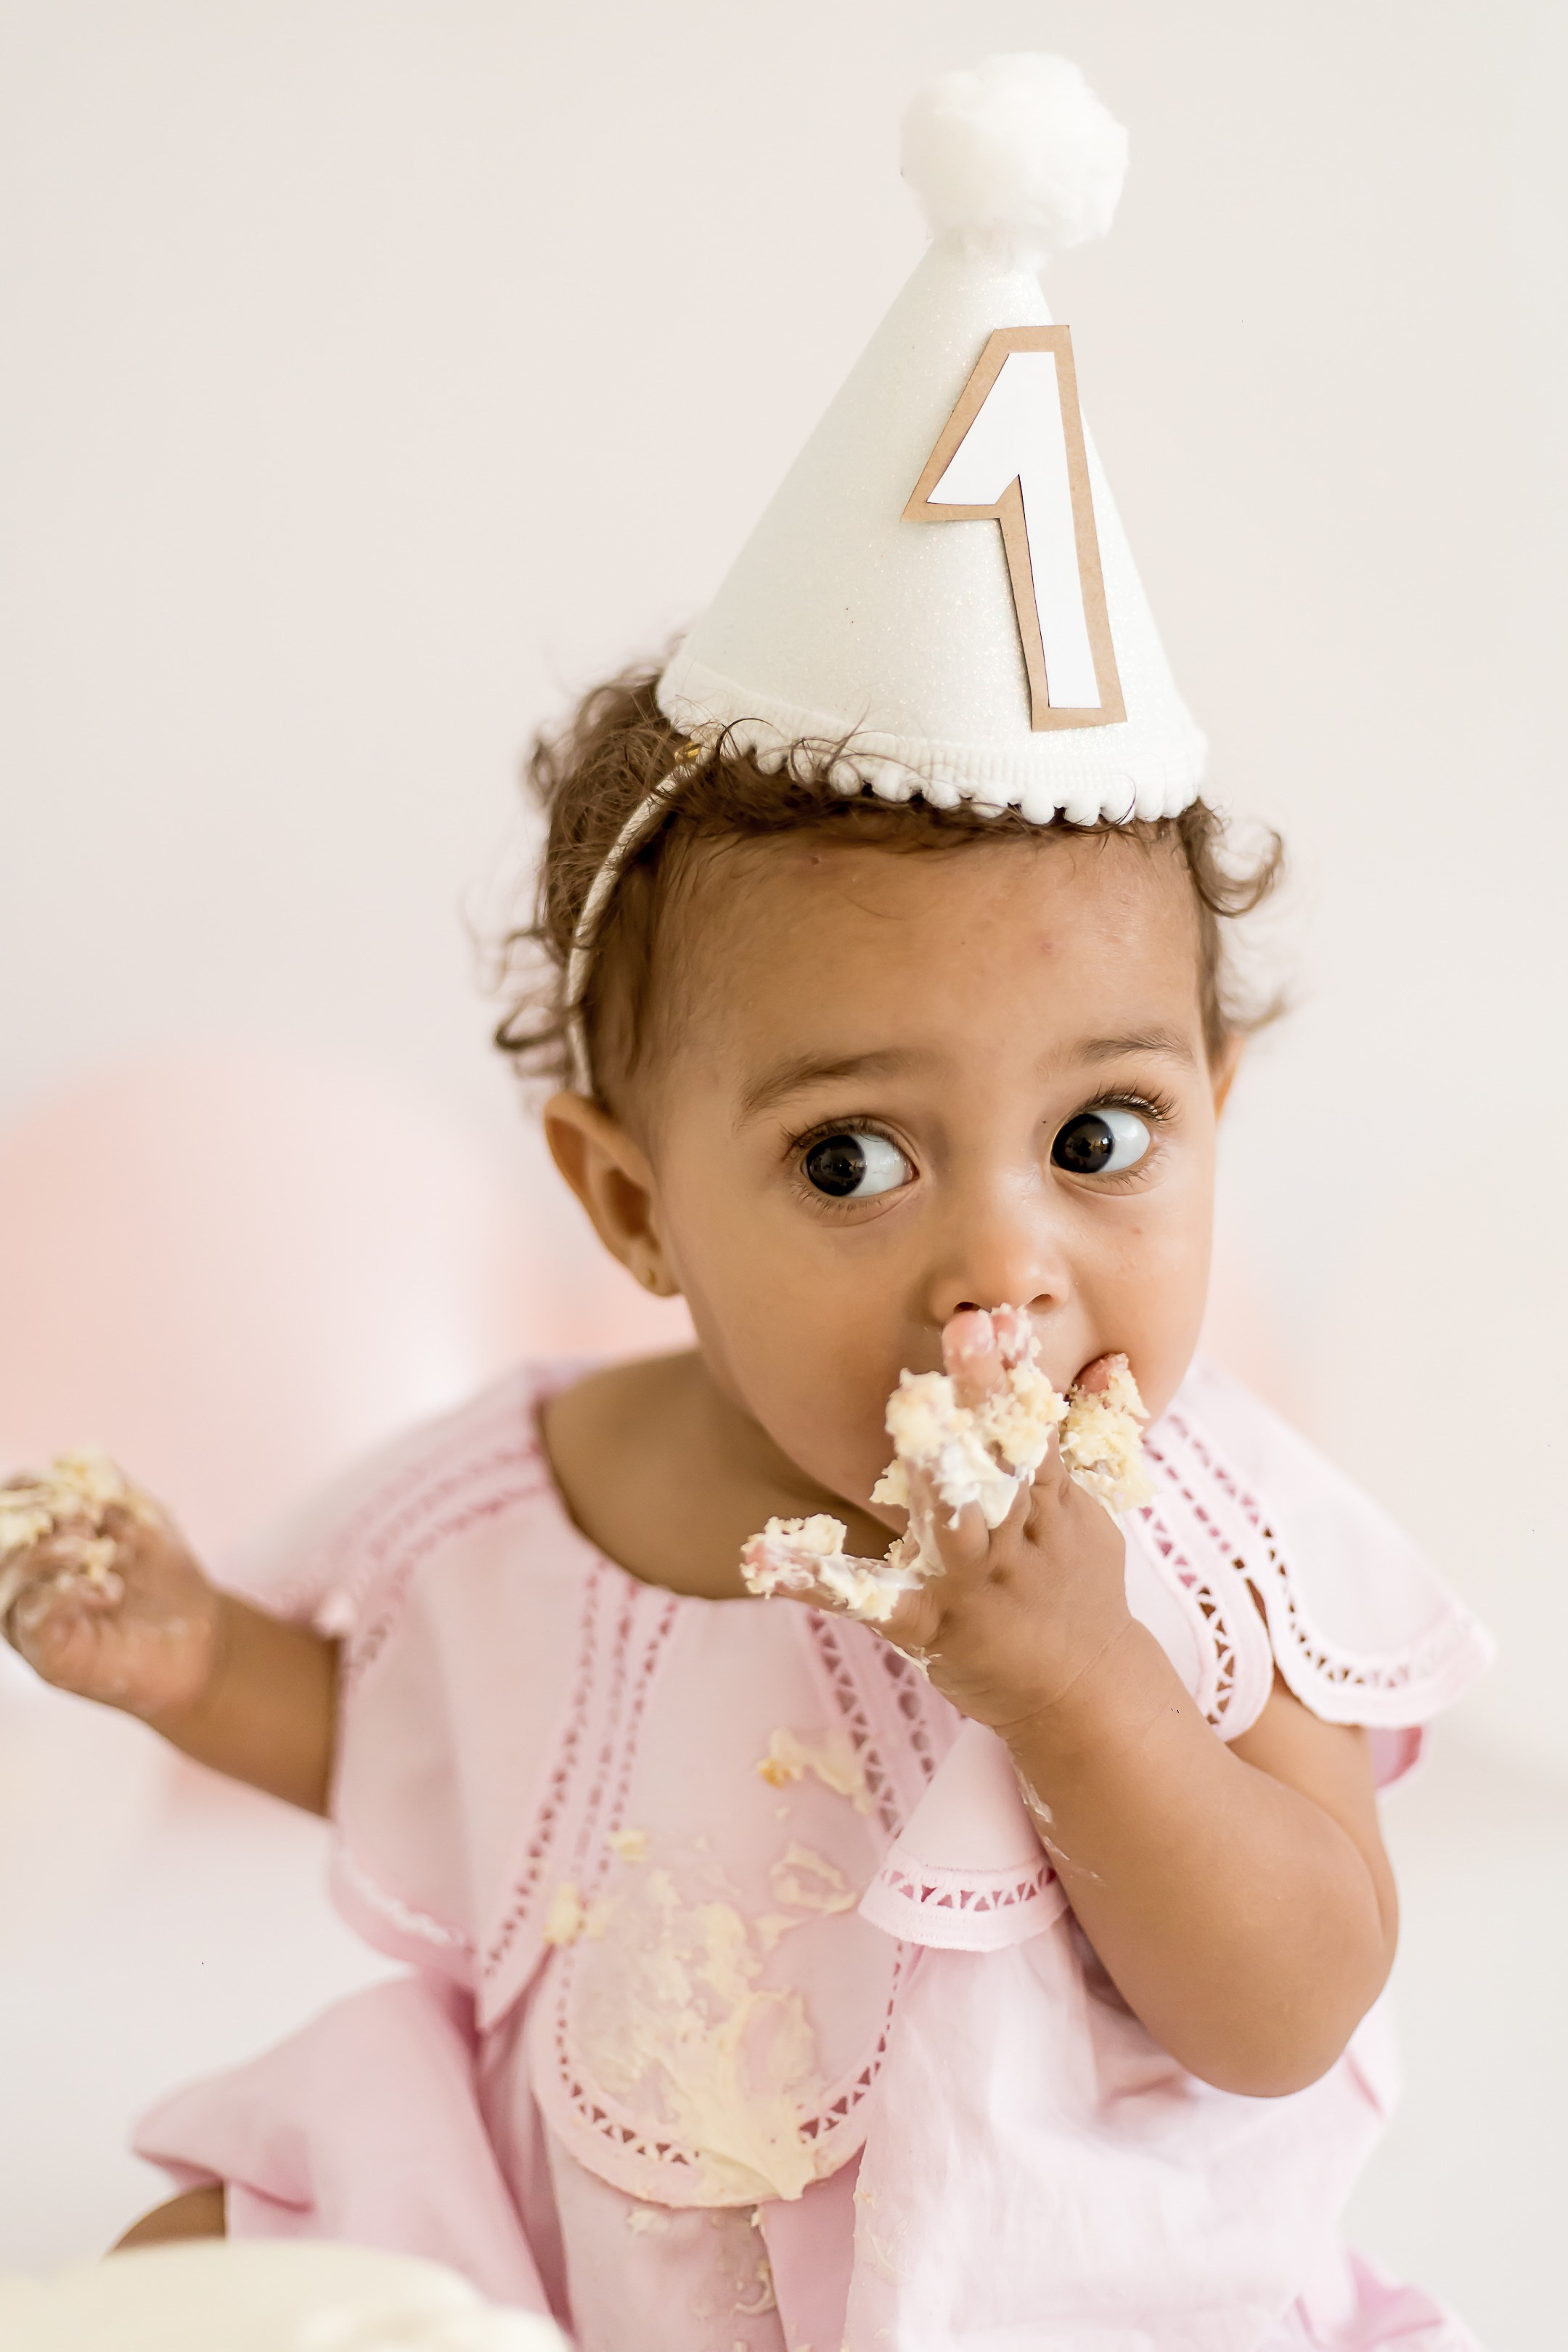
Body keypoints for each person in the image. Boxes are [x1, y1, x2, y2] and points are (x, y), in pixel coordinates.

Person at [2, 54, 1492, 2352]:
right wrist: (200, 1662)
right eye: (850, 1160)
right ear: (627, 1203)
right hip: (574, 2252)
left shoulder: (1203, 1553)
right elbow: (411, 1724)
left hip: (1020, 2280)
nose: (1008, 1257)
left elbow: (1294, 1997)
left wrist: (1088, 1692)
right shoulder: (534, 1497)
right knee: (226, 2258)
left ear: (1218, 1101)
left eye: (1101, 1137)